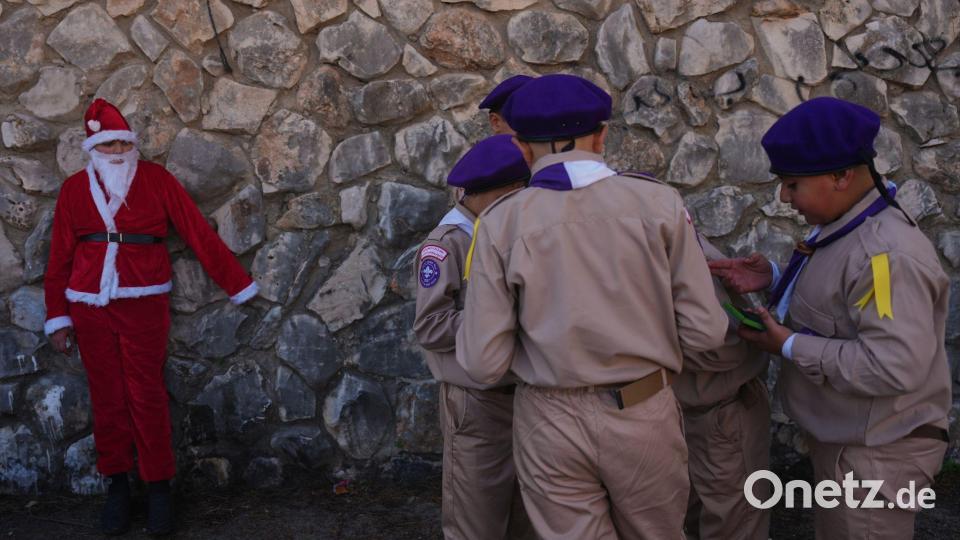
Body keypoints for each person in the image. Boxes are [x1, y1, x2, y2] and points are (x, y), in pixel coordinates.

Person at [455, 74, 728, 539]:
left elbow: (483, 363)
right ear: (602, 134)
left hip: (548, 417)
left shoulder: (500, 223)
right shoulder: (658, 203)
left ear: (521, 147)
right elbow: (705, 332)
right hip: (643, 408)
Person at [709, 97, 951, 540]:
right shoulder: (849, 222)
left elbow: (891, 364)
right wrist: (774, 277)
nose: (783, 196)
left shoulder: (886, 256)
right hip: (854, 444)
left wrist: (785, 344)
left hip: (876, 457)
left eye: (792, 184)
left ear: (841, 176)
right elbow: (846, 305)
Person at [43, 99, 258, 536]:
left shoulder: (157, 180)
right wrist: (57, 317)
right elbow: (59, 257)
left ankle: (159, 488)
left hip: (144, 301)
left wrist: (238, 284)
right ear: (94, 147)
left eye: (125, 141)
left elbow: (197, 231)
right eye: (110, 142)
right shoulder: (73, 191)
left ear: (132, 144)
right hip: (88, 304)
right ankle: (117, 488)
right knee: (107, 397)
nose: (118, 148)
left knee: (147, 394)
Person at [414, 134, 532, 540]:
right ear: (505, 192)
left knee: (526, 516)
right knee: (476, 518)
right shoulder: (447, 243)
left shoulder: (502, 231)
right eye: (516, 194)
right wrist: (494, 318)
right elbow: (430, 326)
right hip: (476, 402)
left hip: (522, 395)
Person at [675, 234, 771, 540]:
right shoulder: (667, 230)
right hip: (717, 412)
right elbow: (720, 347)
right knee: (733, 523)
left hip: (697, 410)